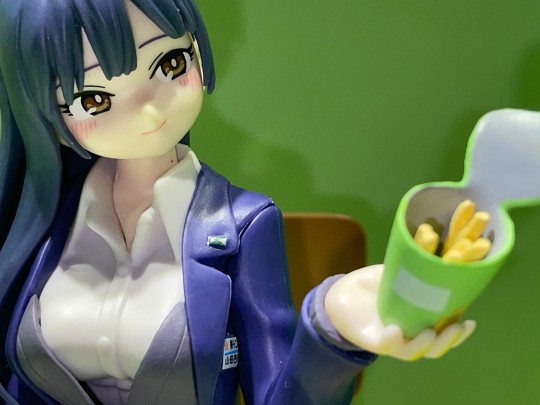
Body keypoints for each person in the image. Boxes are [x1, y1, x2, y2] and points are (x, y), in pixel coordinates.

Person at [0, 1, 474, 404]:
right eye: (95, 100)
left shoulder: (242, 225)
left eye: (170, 64)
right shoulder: (43, 221)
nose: (147, 109)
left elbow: (278, 393)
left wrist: (331, 330)